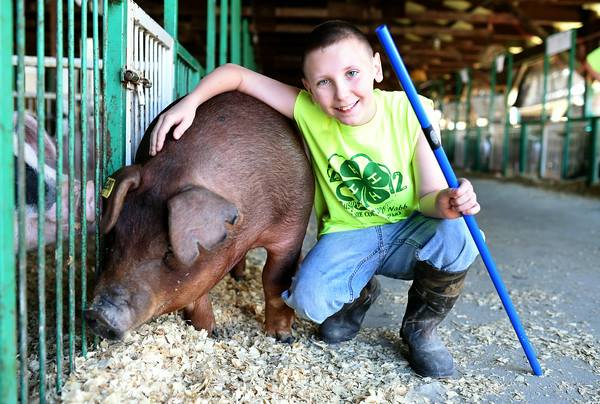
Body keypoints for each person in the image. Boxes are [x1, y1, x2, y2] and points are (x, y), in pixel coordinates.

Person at [149, 20, 480, 378]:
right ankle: (360, 293)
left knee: (457, 233)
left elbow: (429, 196)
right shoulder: (308, 109)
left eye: (352, 73)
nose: (341, 93)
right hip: (349, 233)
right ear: (308, 88)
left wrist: (446, 201)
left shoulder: (413, 110)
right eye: (324, 82)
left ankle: (421, 329)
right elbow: (236, 75)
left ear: (376, 69)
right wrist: (192, 103)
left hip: (406, 229)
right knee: (308, 302)